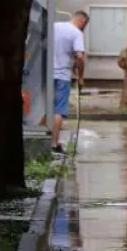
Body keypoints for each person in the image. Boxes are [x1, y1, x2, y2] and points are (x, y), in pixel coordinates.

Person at [52, 10, 88, 153]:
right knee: (59, 110)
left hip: (46, 74)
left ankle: (45, 138)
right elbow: (79, 56)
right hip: (62, 76)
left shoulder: (54, 26)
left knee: (45, 107)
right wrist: (80, 76)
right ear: (82, 21)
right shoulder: (76, 33)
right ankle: (54, 144)